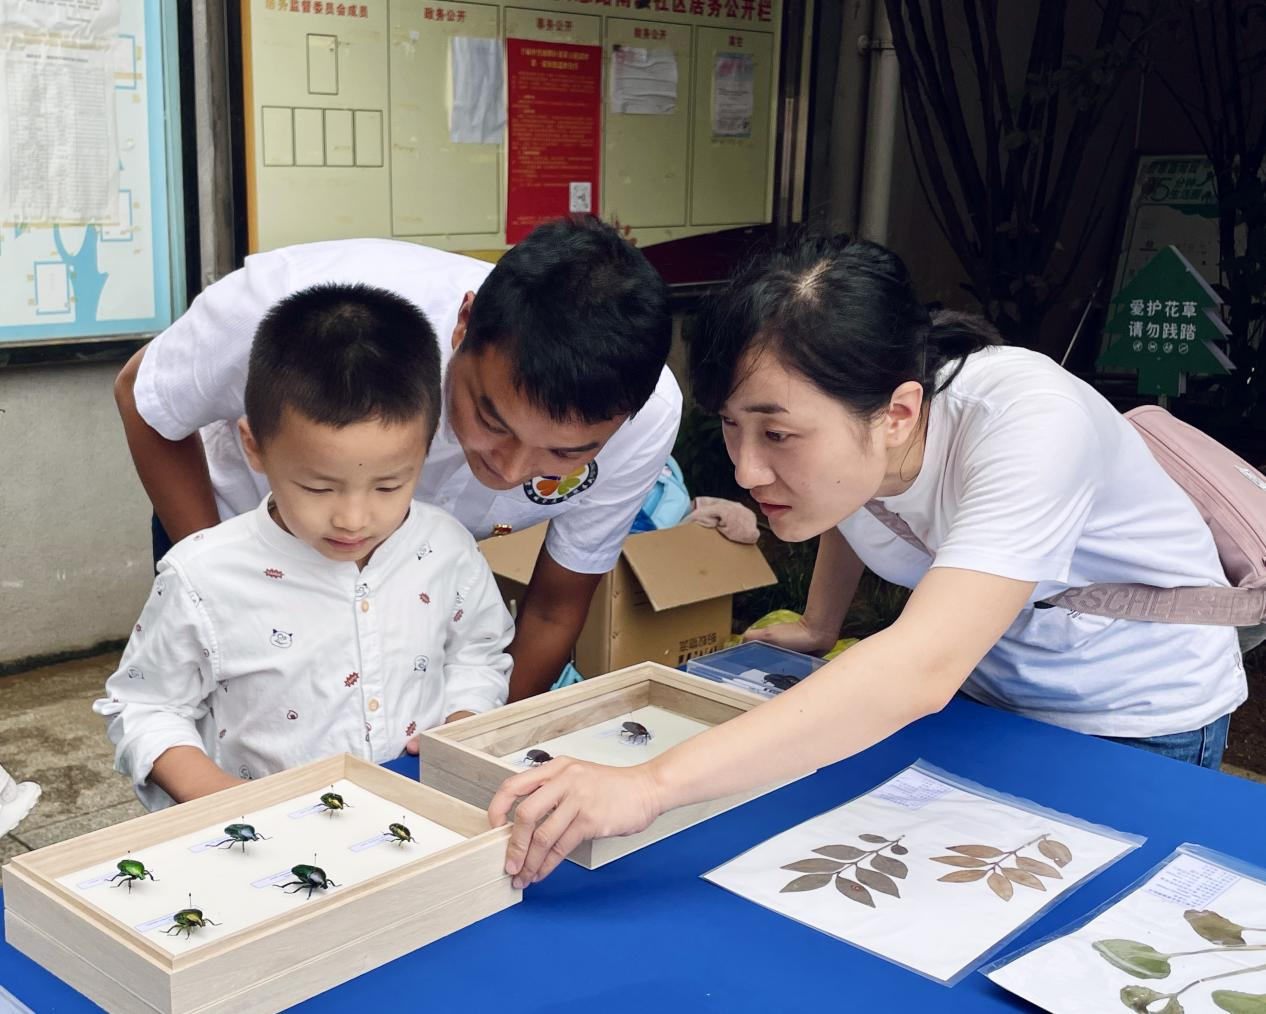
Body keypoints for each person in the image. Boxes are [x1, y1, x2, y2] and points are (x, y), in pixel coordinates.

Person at [487, 235, 1248, 888]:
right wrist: (821, 625)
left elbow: (919, 668)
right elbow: (852, 508)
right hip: (993, 695)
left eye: (778, 436)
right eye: (730, 427)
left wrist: (651, 785)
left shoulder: (1030, 427)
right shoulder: (862, 445)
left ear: (898, 413)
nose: (747, 471)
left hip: (1136, 712)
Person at [113, 216, 680, 702]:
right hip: (237, 524)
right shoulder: (301, 307)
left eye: (565, 454)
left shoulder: (647, 421)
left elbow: (555, 610)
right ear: (464, 324)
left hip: (413, 576)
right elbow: (146, 397)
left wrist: (474, 751)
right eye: (491, 420)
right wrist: (225, 576)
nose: (509, 471)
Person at [96, 284, 513, 810]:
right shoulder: (202, 576)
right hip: (264, 845)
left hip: (416, 817)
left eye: (389, 485)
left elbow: (478, 653)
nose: (353, 518)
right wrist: (216, 798)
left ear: (426, 448)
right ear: (255, 447)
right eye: (318, 487)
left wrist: (464, 721)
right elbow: (144, 706)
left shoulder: (447, 549)